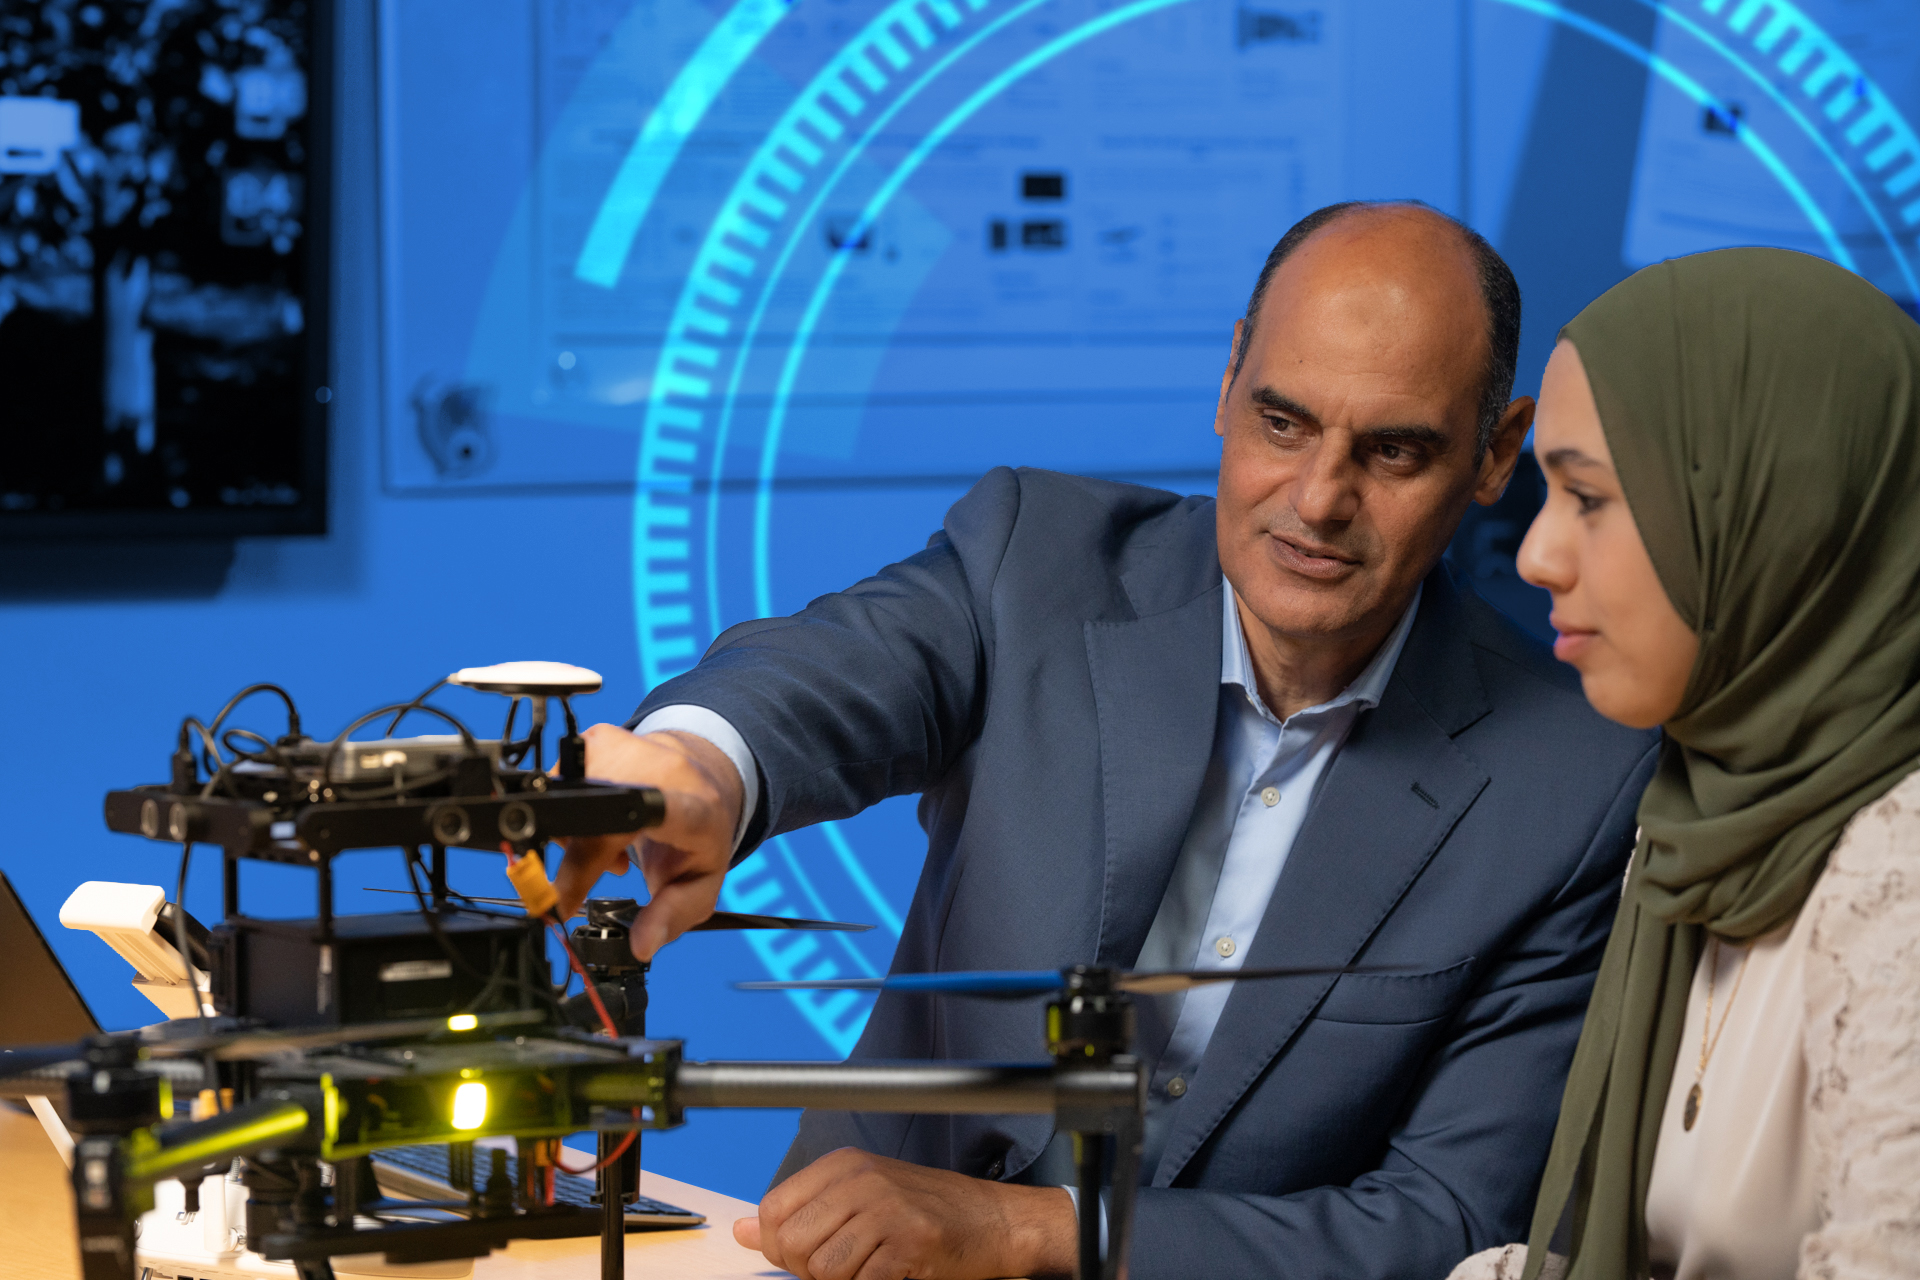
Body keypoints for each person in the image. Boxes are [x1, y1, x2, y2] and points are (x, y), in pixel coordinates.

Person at [558, 201, 1659, 1280]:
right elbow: (836, 674)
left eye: (1394, 451)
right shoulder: (1036, 559)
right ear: (1229, 380)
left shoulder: (1576, 783)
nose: (1320, 498)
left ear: (1496, 452)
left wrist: (1028, 1228)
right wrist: (702, 769)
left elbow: (1444, 1219)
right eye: (1283, 421)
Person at [1448, 247, 1920, 1280]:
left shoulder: (1904, 857)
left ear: (1781, 512)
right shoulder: (1696, 819)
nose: (1536, 555)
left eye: (1592, 498)